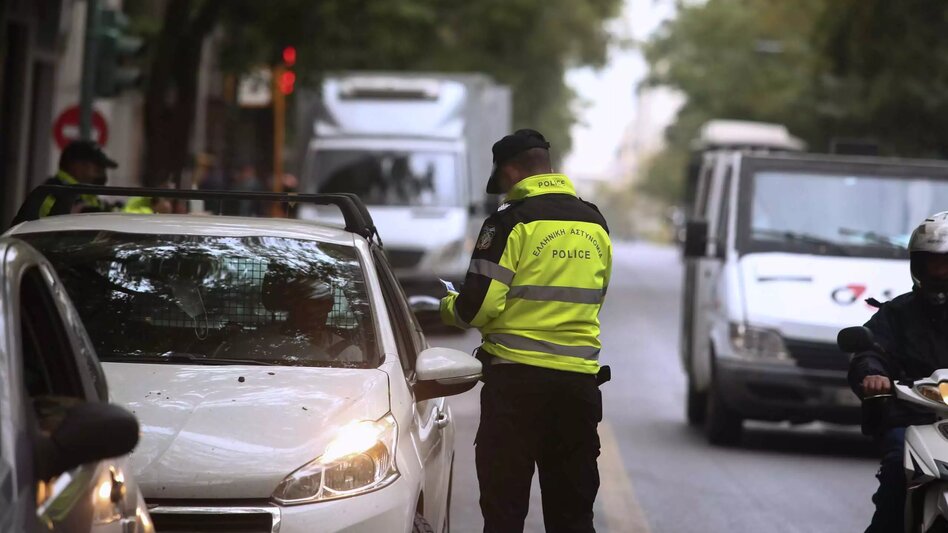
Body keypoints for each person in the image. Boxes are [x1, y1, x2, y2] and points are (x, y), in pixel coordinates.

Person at [440, 129, 612, 533]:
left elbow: (477, 308)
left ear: (511, 170)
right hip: (578, 390)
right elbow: (596, 295)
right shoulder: (595, 222)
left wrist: (448, 307)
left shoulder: (510, 222)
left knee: (504, 512)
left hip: (516, 388)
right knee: (572, 515)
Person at [848, 211, 948, 532]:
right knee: (896, 469)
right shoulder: (897, 314)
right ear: (918, 266)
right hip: (912, 418)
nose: (941, 272)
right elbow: (869, 351)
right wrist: (872, 375)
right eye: (934, 263)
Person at [11, 140, 117, 225]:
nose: (101, 173)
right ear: (76, 166)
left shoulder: (86, 195)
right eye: (98, 168)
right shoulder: (51, 195)